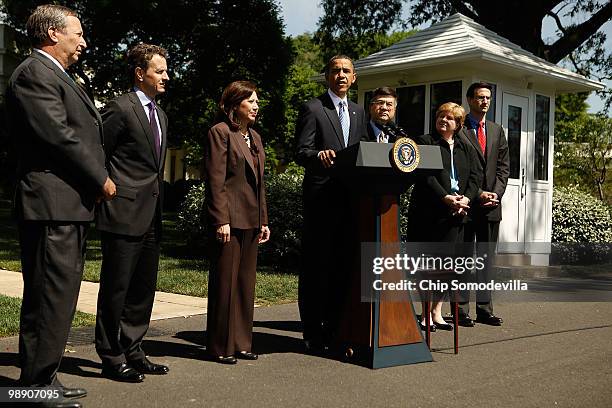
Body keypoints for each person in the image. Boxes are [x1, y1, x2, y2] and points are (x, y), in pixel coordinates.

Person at [5, 4, 115, 407]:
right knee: (50, 296)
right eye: (78, 33)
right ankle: (34, 388)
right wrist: (99, 177)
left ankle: (40, 380)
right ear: (53, 33)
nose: (84, 41)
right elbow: (59, 135)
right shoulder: (34, 73)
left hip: (65, 205)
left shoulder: (55, 74)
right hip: (52, 203)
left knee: (57, 296)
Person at [95, 43, 170, 382]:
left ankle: (134, 349)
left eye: (166, 70)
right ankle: (111, 356)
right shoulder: (120, 108)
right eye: (160, 71)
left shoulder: (162, 114)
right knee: (116, 289)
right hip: (122, 213)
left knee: (143, 289)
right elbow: (99, 153)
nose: (167, 76)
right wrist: (107, 189)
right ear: (141, 74)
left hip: (152, 214)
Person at [295, 55, 368, 353]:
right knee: (317, 268)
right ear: (326, 76)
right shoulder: (313, 108)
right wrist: (317, 157)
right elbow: (301, 151)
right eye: (335, 70)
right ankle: (312, 333)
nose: (340, 75)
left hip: (349, 201)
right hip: (321, 201)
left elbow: (362, 152)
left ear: (354, 78)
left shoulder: (359, 111)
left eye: (346, 71)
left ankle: (337, 330)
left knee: (342, 268)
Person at [204, 81, 270, 364]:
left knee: (245, 284)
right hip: (229, 220)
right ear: (234, 105)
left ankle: (242, 342)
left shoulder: (254, 137)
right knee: (225, 284)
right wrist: (221, 219)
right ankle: (221, 346)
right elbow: (215, 180)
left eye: (257, 102)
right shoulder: (220, 133)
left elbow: (260, 184)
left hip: (252, 220)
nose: (256, 106)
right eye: (250, 101)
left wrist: (264, 220)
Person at [406, 102, 482, 331]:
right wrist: (445, 198)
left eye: (449, 117)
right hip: (430, 213)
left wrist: (466, 199)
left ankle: (437, 312)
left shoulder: (465, 147)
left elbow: (475, 178)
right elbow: (425, 176)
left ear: (458, 124)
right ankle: (425, 313)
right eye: (440, 115)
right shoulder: (425, 142)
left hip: (457, 214)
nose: (443, 120)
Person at [456, 82, 510, 327]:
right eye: (480, 97)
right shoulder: (459, 129)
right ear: (470, 100)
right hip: (467, 204)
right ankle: (460, 310)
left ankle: (485, 310)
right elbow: (457, 168)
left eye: (488, 98)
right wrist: (477, 194)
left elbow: (503, 168)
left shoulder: (497, 130)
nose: (485, 102)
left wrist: (495, 194)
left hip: (491, 206)